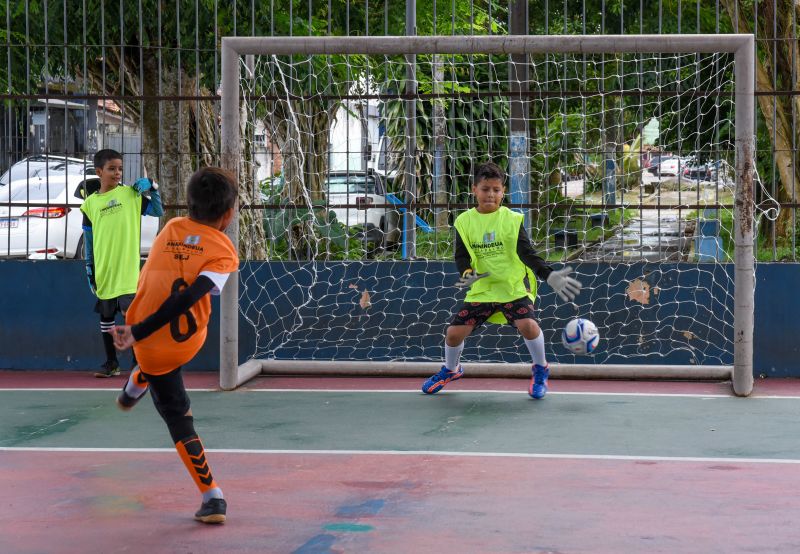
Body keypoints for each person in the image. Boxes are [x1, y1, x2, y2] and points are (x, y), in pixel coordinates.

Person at [112, 167, 239, 524]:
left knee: (171, 402)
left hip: (151, 344)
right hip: (188, 342)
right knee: (172, 396)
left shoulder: (169, 229)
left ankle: (213, 497)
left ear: (189, 204)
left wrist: (137, 331)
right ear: (227, 216)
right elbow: (188, 299)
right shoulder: (225, 252)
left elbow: (166, 289)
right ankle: (212, 497)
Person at [422, 161, 582, 399]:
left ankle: (541, 369)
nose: (491, 194)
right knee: (453, 334)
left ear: (503, 192)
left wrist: (548, 274)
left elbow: (527, 253)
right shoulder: (464, 222)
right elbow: (462, 255)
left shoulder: (511, 220)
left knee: (528, 325)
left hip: (513, 288)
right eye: (485, 189)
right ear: (474, 189)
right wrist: (467, 274)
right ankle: (451, 370)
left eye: (496, 190)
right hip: (483, 290)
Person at [81, 149, 163, 377]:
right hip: (105, 271)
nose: (117, 173)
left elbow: (158, 210)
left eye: (120, 169)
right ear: (99, 171)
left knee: (133, 317)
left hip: (128, 272)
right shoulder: (89, 204)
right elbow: (89, 239)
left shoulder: (131, 195)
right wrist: (90, 268)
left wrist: (152, 187)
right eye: (112, 169)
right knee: (106, 319)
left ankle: (140, 363)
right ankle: (111, 363)